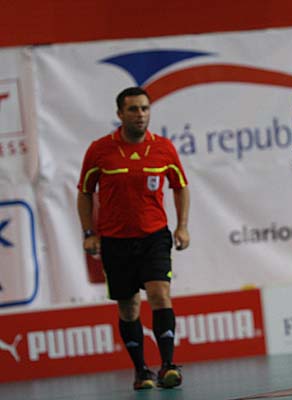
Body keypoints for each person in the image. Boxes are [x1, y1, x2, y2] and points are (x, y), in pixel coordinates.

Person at [76, 87, 190, 391]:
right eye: (133, 109)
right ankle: (141, 371)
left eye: (144, 108)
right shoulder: (100, 150)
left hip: (155, 237)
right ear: (120, 114)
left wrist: (182, 227)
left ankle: (168, 366)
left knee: (160, 295)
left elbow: (180, 186)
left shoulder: (163, 148)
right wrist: (89, 233)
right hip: (115, 241)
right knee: (128, 308)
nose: (140, 115)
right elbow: (85, 192)